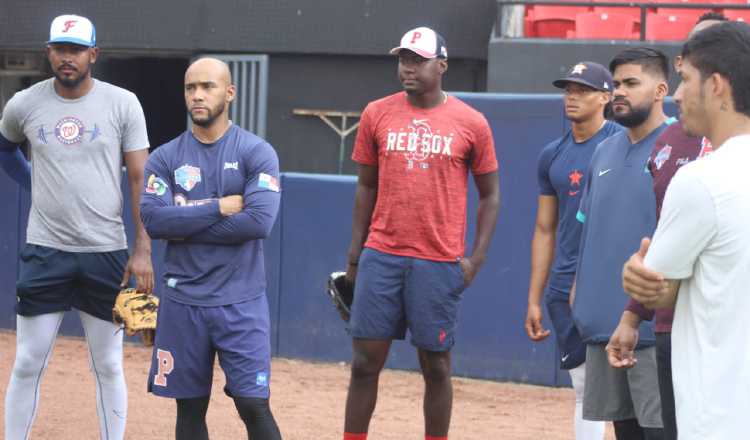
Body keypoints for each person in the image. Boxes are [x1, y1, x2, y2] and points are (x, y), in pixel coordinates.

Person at [342, 27, 500, 440]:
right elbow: (365, 186)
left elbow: (491, 196)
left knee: (436, 367)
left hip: (438, 260)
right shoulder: (377, 112)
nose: (408, 67)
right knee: (363, 364)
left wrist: (475, 260)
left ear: (442, 65)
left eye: (418, 59)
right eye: (403, 59)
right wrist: (355, 255)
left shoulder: (472, 122)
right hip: (382, 254)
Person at [0, 14, 153, 440]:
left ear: (93, 54)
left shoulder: (123, 103)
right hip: (45, 249)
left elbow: (140, 177)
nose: (67, 58)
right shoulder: (24, 104)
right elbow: (6, 149)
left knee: (107, 363)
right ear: (48, 52)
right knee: (28, 361)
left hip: (104, 250)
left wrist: (143, 249)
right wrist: (32, 179)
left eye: (76, 49)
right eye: (59, 49)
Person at [611, 21, 750, 439]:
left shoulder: (701, 181)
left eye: (686, 79)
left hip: (717, 418)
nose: (676, 93)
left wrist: (637, 273)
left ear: (717, 86)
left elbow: (658, 284)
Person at [140, 57, 282, 440]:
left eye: (208, 86)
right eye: (191, 88)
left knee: (253, 405)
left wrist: (184, 223)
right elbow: (155, 221)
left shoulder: (257, 152)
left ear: (230, 92)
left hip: (241, 302)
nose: (198, 95)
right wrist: (218, 207)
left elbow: (258, 222)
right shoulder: (165, 157)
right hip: (182, 301)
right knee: (189, 409)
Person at [572, 47, 672, 440]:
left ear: (661, 88)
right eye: (616, 84)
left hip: (652, 331)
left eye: (632, 83)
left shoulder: (682, 147)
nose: (619, 92)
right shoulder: (603, 150)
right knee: (624, 433)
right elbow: (589, 227)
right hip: (601, 327)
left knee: (661, 433)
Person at [525, 61, 621, 440]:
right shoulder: (552, 154)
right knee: (584, 387)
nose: (572, 97)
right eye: (568, 90)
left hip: (613, 282)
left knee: (634, 386)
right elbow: (545, 228)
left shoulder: (623, 142)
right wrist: (535, 298)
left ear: (605, 97)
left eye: (583, 90)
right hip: (565, 285)